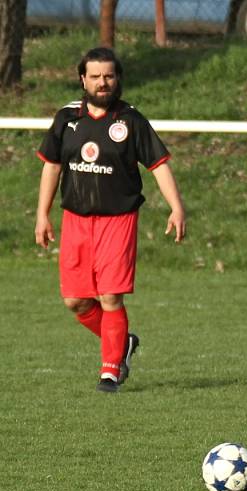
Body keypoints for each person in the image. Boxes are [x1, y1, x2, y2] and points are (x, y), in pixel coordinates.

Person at [34, 47, 186, 393]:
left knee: (110, 296)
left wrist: (176, 207)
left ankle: (110, 372)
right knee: (75, 301)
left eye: (109, 76)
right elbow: (52, 166)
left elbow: (159, 165)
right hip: (75, 220)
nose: (103, 83)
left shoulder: (131, 121)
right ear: (82, 79)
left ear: (117, 79)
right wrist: (42, 214)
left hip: (118, 220)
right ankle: (123, 344)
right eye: (96, 76)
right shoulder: (66, 119)